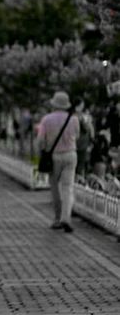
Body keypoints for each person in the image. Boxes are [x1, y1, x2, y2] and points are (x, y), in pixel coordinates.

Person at [37, 91, 79, 233]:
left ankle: (57, 218)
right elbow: (77, 135)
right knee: (68, 187)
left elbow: (41, 141)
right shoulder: (74, 119)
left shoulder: (46, 119)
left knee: (55, 188)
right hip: (71, 155)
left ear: (54, 104)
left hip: (54, 156)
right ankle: (66, 218)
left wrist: (43, 151)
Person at [75, 100, 94, 176]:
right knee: (80, 166)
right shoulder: (82, 116)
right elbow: (87, 128)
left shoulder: (74, 115)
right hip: (81, 144)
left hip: (76, 144)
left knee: (78, 166)